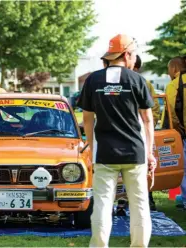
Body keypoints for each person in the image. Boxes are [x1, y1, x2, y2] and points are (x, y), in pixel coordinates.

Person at [78, 34, 156, 247]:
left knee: (102, 203)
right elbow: (148, 120)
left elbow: (87, 120)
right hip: (135, 153)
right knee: (139, 204)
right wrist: (149, 153)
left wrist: (92, 150)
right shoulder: (137, 80)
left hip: (104, 153)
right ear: (127, 54)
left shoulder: (93, 80)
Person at [133, 54, 160, 211]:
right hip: (123, 134)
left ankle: (147, 199)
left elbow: (154, 110)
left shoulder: (144, 83)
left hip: (140, 134)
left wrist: (147, 129)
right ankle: (123, 201)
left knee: (143, 169)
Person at [165, 56, 186, 210]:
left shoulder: (174, 85)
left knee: (184, 168)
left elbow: (171, 111)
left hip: (184, 131)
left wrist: (178, 129)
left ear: (174, 69)